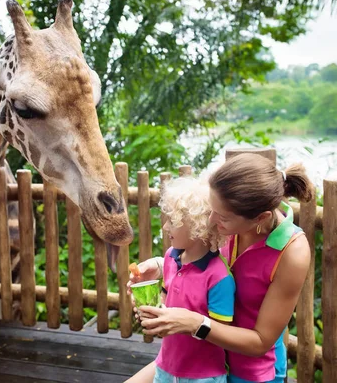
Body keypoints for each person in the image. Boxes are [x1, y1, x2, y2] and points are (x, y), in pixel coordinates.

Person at [126, 153, 314, 383]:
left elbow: (260, 341)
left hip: (249, 372)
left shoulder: (292, 251)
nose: (211, 221)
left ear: (260, 218)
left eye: (221, 216)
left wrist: (194, 324)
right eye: (210, 210)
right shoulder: (227, 218)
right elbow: (199, 257)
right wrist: (159, 265)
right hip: (197, 358)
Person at [140, 176, 236, 383]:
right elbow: (167, 297)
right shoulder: (170, 258)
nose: (165, 228)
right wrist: (153, 309)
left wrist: (189, 324)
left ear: (197, 226)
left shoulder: (219, 278)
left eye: (172, 222)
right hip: (166, 367)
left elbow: (222, 334)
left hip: (203, 376)